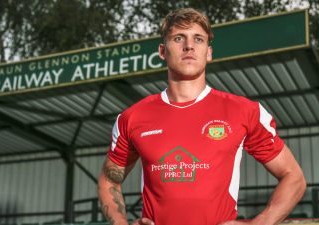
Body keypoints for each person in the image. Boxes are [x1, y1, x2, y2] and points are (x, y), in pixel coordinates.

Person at [98, 8, 306, 225]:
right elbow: (109, 180)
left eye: (198, 39)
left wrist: (259, 223)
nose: (189, 46)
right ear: (162, 51)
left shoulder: (245, 112)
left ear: (208, 52)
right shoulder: (131, 118)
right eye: (179, 38)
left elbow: (294, 177)